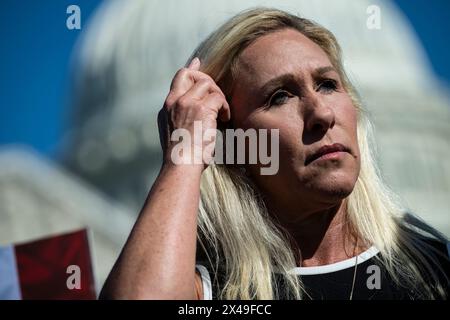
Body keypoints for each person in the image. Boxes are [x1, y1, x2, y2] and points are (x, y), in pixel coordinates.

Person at [99, 7, 449, 300]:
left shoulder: (431, 272)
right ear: (230, 144)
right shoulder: (216, 292)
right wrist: (185, 155)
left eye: (327, 84)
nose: (322, 115)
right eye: (280, 96)